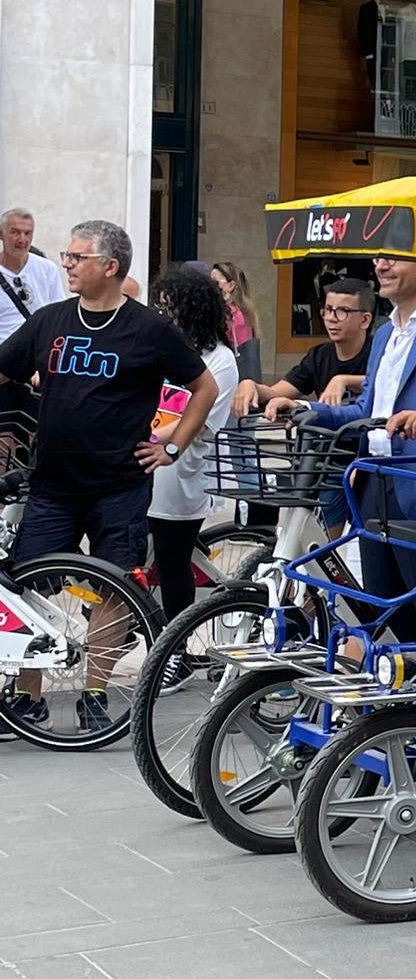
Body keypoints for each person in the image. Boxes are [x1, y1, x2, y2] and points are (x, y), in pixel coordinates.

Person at [0, 221, 219, 731]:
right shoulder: (51, 321)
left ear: (110, 266)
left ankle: (95, 693)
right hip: (52, 483)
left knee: (116, 588)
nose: (66, 264)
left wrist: (171, 444)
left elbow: (203, 387)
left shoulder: (149, 329)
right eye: (67, 255)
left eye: (77, 257)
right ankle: (27, 695)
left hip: (119, 485)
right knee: (29, 589)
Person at [265, 257, 416, 698]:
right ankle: (392, 727)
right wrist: (308, 410)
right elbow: (367, 412)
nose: (382, 263)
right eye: (380, 257)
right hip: (373, 489)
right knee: (383, 624)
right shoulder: (387, 334)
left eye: (396, 256)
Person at [147, 265, 241, 691]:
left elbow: (197, 421)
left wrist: (143, 438)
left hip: (179, 472)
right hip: (138, 465)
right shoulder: (161, 348)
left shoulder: (220, 361)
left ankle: (178, 652)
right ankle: (153, 637)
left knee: (172, 561)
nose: (163, 315)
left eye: (171, 307)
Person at [233, 279, 374, 415]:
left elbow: (386, 383)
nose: (332, 318)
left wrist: (344, 381)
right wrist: (251, 385)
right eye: (328, 309)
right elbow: (276, 393)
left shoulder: (381, 350)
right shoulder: (319, 356)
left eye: (343, 311)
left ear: (365, 320)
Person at [0, 209, 65, 444]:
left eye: (28, 233)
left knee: (35, 435)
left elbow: (59, 318)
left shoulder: (46, 269)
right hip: (2, 364)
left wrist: (46, 362)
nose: (22, 239)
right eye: (15, 232)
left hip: (36, 364)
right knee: (4, 439)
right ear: (1, 234)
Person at [211, 261, 262, 382]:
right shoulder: (242, 311)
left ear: (231, 285)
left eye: (215, 282)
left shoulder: (234, 315)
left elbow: (241, 348)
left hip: (230, 378)